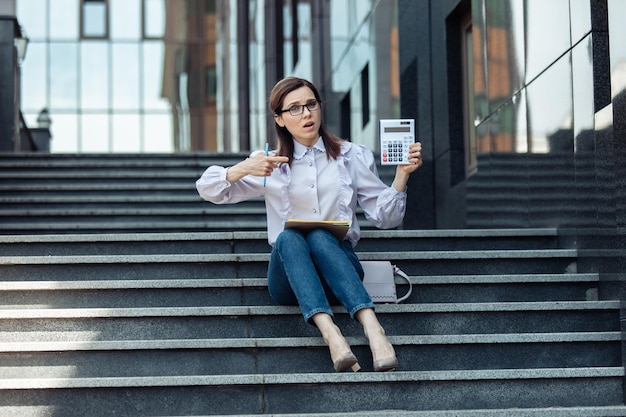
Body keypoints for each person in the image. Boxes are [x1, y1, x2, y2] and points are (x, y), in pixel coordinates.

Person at [196, 76, 423, 372]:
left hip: (339, 268)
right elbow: (208, 189)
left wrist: (401, 176)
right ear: (279, 119)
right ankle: (331, 334)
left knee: (318, 234)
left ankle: (374, 329)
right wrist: (243, 168)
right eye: (294, 109)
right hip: (289, 278)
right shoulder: (270, 163)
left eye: (310, 105)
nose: (305, 114)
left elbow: (385, 218)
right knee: (289, 238)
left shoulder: (351, 156)